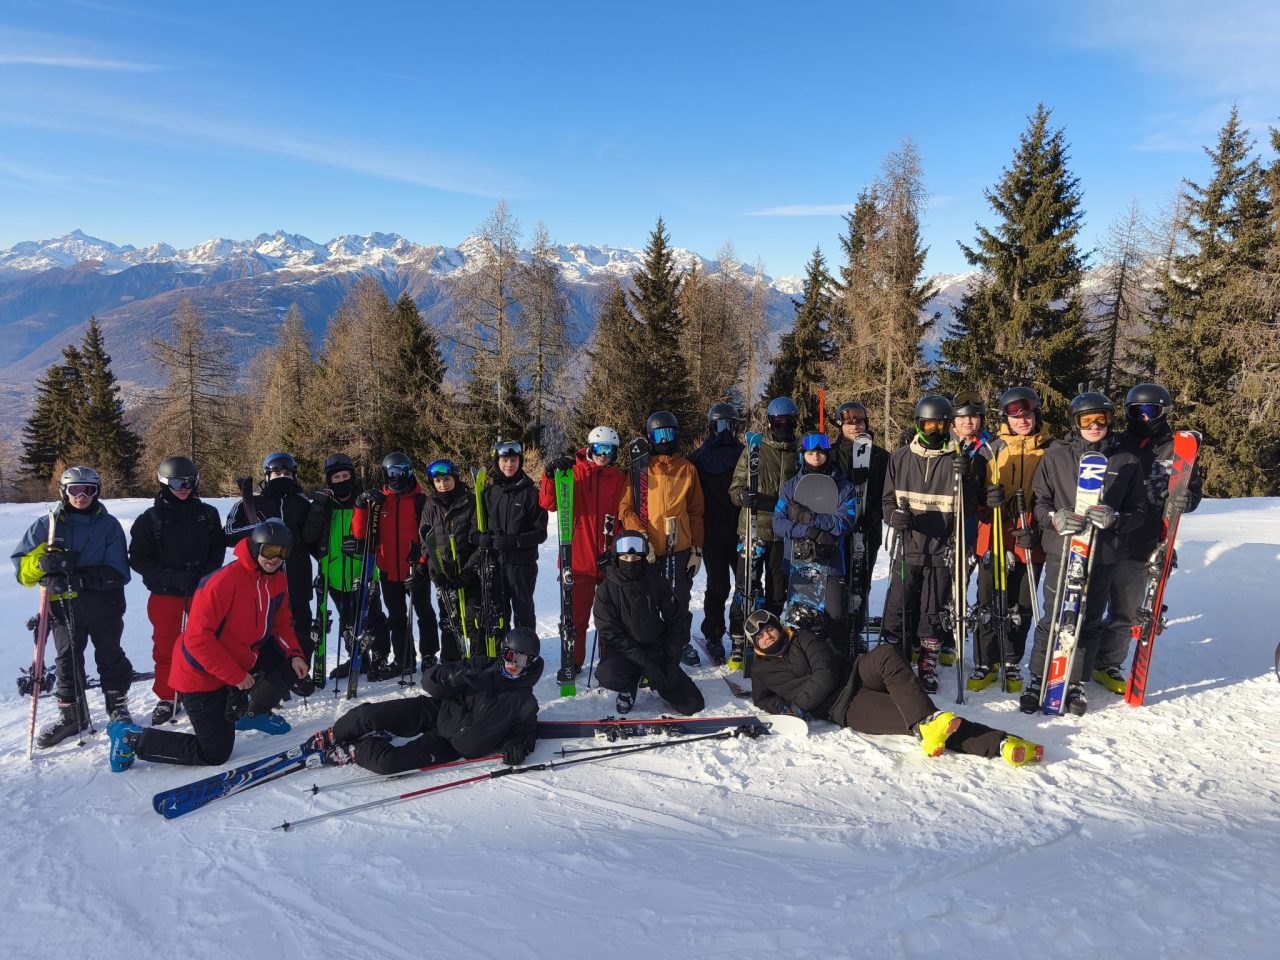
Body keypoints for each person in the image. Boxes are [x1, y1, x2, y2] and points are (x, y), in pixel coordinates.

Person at [106, 520, 311, 772]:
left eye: (283, 552)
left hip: (239, 661)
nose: (276, 558)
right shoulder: (223, 582)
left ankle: (251, 714)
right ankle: (131, 738)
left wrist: (295, 655)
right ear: (255, 548)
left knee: (288, 665)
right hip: (201, 674)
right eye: (270, 551)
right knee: (214, 752)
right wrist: (236, 677)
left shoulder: (277, 581)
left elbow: (280, 625)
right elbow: (197, 640)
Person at [746, 609, 1042, 765]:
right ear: (756, 645)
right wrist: (784, 708)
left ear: (777, 626)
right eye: (761, 637)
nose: (768, 636)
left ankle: (925, 722)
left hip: (856, 674)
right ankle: (1003, 744)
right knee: (914, 722)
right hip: (846, 707)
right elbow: (763, 699)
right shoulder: (760, 669)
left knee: (886, 655)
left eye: (769, 628)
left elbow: (826, 671)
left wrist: (803, 703)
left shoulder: (803, 637)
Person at [1022, 391, 1145, 716]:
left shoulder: (1127, 460)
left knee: (1089, 619)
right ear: (1075, 423)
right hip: (1064, 549)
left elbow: (1139, 511)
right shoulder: (1056, 456)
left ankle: (1074, 681)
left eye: (1100, 419)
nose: (1094, 426)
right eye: (1086, 420)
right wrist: (1053, 518)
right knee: (1054, 616)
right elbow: (1040, 502)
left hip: (1103, 552)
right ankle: (1038, 677)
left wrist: (1116, 519)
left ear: (1109, 421)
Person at [306, 628, 542, 774]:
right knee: (369, 715)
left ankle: (355, 750)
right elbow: (430, 681)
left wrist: (515, 747)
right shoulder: (483, 666)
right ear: (503, 652)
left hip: (452, 745)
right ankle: (335, 733)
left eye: (522, 660)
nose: (514, 664)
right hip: (438, 711)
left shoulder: (523, 701)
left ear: (530, 663)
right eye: (511, 656)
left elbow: (525, 733)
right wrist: (448, 677)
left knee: (389, 763)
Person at [1092, 383, 1203, 694]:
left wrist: (1187, 500)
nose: (1141, 417)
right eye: (1134, 411)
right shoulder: (1115, 443)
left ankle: (1108, 662)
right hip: (1107, 536)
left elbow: (1192, 489)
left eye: (1149, 411)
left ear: (1162, 412)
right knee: (1088, 605)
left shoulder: (1175, 450)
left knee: (1125, 610)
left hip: (1144, 540)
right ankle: (1083, 658)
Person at [13, 466, 134, 747]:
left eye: (88, 490)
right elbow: (21, 569)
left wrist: (82, 578)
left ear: (97, 492)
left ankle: (117, 706)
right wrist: (42, 564)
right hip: (63, 605)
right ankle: (72, 716)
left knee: (110, 654)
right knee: (67, 660)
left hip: (105, 602)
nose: (81, 496)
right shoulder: (49, 524)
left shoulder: (109, 525)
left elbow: (120, 571)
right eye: (74, 490)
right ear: (64, 493)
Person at [881, 396, 979, 693]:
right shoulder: (899, 458)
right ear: (918, 424)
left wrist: (969, 476)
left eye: (939, 424)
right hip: (908, 546)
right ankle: (895, 660)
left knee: (932, 608)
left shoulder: (958, 459)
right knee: (899, 604)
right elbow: (887, 501)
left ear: (948, 425)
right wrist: (893, 517)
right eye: (928, 424)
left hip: (941, 549)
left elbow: (970, 507)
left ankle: (927, 661)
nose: (933, 430)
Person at [127, 456, 226, 725]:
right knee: (167, 646)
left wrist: (204, 575)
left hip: (201, 591)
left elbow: (217, 547)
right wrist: (172, 578)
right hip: (166, 594)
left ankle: (206, 688)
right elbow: (138, 558)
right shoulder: (150, 519)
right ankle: (168, 695)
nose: (183, 488)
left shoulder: (207, 514)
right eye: (176, 483)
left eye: (189, 482)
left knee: (206, 641)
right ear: (163, 483)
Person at [969, 387, 1054, 693]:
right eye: (1015, 416)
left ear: (1036, 415)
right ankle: (985, 661)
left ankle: (1011, 660)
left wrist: (1039, 529)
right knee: (988, 600)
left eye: (1028, 414)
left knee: (1021, 601)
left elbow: (1057, 497)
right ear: (1005, 418)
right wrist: (984, 500)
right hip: (993, 531)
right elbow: (972, 491)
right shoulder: (990, 449)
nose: (1022, 420)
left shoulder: (1051, 449)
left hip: (1030, 534)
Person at [618, 411, 706, 664]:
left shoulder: (688, 469)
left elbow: (696, 512)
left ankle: (681, 642)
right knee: (648, 600)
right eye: (659, 434)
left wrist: (696, 549)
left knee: (679, 598)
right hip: (649, 549)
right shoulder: (640, 469)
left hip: (678, 547)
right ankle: (652, 642)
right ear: (650, 437)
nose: (665, 439)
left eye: (669, 433)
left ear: (676, 435)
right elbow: (625, 508)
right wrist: (640, 535)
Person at [540, 426, 627, 671]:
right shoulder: (573, 474)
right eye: (599, 448)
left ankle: (609, 661)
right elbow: (548, 503)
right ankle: (573, 661)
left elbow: (622, 518)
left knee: (610, 618)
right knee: (575, 618)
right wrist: (550, 475)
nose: (603, 455)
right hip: (577, 561)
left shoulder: (619, 479)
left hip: (607, 560)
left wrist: (616, 553)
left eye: (609, 450)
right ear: (589, 448)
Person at [593, 530, 706, 717]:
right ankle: (629, 685)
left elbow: (676, 622)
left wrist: (670, 665)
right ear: (616, 556)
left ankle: (655, 678)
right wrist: (648, 667)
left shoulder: (656, 580)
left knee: (692, 705)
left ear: (644, 556)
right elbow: (612, 634)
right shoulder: (606, 590)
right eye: (625, 556)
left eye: (636, 556)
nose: (630, 561)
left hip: (656, 647)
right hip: (625, 653)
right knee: (608, 674)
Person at [302, 453, 388, 681]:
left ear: (352, 475)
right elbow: (309, 536)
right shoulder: (323, 503)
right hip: (335, 572)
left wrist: (362, 545)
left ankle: (380, 657)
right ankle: (358, 658)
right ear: (329, 480)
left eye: (345, 475)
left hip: (364, 570)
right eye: (336, 477)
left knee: (373, 617)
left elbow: (380, 533)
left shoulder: (364, 500)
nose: (341, 480)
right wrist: (319, 507)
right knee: (347, 619)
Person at [351, 453, 438, 677]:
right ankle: (404, 659)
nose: (396, 476)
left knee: (424, 612)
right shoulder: (379, 502)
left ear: (408, 472)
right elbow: (361, 533)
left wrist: (421, 567)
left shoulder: (421, 501)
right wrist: (361, 505)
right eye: (391, 472)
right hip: (389, 571)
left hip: (415, 569)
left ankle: (429, 654)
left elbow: (431, 537)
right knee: (396, 618)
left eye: (400, 471)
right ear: (385, 473)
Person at [224, 452, 314, 664]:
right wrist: (259, 529)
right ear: (267, 475)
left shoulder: (301, 502)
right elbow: (227, 533)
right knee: (263, 628)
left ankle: (299, 673)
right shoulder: (251, 502)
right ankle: (267, 675)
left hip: (298, 577)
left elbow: (312, 538)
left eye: (287, 473)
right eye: (276, 473)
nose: (282, 476)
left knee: (301, 628)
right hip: (261, 579)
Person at [773, 432, 856, 646]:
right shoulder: (791, 487)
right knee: (801, 622)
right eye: (810, 453)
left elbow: (844, 522)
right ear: (803, 456)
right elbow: (778, 523)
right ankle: (801, 666)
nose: (816, 457)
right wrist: (808, 531)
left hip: (832, 564)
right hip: (800, 562)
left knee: (836, 619)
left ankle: (838, 665)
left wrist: (809, 518)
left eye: (820, 453)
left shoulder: (844, 487)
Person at [730, 397, 801, 619]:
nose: (784, 426)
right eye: (779, 421)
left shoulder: (800, 452)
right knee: (747, 586)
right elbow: (735, 487)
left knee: (778, 590)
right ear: (770, 422)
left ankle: (771, 633)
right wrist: (743, 496)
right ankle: (740, 633)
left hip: (783, 533)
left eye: (788, 421)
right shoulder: (756, 450)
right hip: (754, 528)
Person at [686, 404, 744, 665]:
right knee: (719, 585)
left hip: (742, 532)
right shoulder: (698, 458)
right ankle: (714, 633)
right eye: (721, 426)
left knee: (747, 585)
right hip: (712, 532)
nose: (725, 432)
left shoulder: (746, 454)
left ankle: (740, 632)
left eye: (729, 426)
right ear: (711, 427)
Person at [476, 440, 548, 642]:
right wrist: (481, 539)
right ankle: (502, 651)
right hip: (494, 565)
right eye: (505, 460)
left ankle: (525, 651)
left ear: (520, 461)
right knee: (499, 612)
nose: (509, 465)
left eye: (514, 460)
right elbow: (475, 528)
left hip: (521, 565)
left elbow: (540, 533)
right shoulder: (488, 494)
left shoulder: (531, 494)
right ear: (497, 462)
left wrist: (514, 542)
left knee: (523, 610)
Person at [831, 401, 889, 649]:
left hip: (868, 529)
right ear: (840, 426)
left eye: (859, 421)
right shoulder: (831, 455)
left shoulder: (881, 456)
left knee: (861, 580)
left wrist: (872, 516)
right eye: (849, 422)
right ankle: (836, 631)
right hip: (838, 530)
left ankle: (856, 630)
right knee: (837, 581)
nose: (855, 426)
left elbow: (889, 494)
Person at [418, 458, 479, 662]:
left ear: (455, 478)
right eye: (438, 481)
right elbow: (425, 541)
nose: (443, 484)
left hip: (468, 572)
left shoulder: (469, 501)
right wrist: (435, 570)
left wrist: (469, 572)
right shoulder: (430, 505)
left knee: (471, 618)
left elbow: (478, 540)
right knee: (448, 619)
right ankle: (451, 661)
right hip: (444, 573)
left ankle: (475, 659)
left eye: (447, 479)